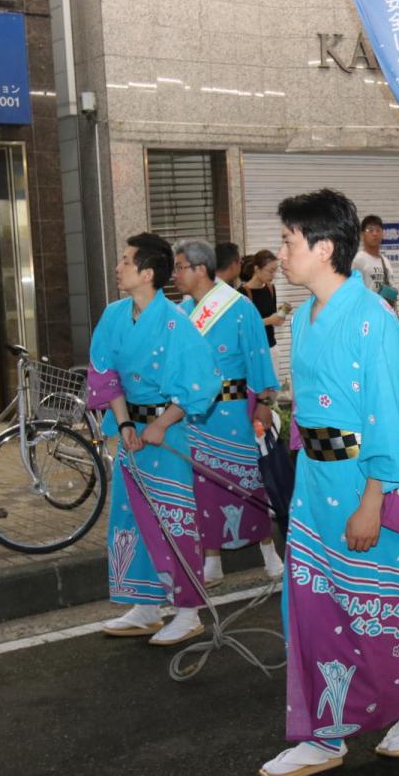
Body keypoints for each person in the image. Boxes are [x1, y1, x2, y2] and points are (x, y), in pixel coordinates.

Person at [262, 188, 399, 775]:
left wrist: (374, 501)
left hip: (364, 486)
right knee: (313, 609)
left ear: (322, 247)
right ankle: (323, 734)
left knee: (381, 604)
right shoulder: (309, 317)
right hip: (316, 487)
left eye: (289, 241)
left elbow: (388, 419)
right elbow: (314, 411)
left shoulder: (371, 319)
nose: (282, 252)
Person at [87, 233, 222, 645]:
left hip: (168, 436)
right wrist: (125, 424)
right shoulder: (113, 315)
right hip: (132, 435)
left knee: (174, 521)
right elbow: (104, 375)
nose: (118, 267)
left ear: (147, 273)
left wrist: (162, 423)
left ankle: (188, 611)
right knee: (131, 518)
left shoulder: (176, 323)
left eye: (125, 261)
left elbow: (201, 384)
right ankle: (145, 607)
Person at [172, 240, 284, 586]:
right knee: (203, 486)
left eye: (179, 267)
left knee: (246, 481)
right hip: (195, 414)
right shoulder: (181, 311)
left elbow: (258, 355)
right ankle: (212, 560)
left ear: (199, 269)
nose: (174, 274)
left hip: (235, 408)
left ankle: (270, 553)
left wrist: (265, 402)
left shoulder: (238, 306)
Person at [242, 249, 289, 381]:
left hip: (271, 347)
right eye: (270, 270)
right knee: (254, 393)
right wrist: (269, 320)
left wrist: (279, 317)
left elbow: (274, 318)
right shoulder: (242, 293)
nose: (273, 275)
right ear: (257, 269)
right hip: (253, 351)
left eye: (276, 270)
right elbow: (243, 327)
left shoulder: (270, 288)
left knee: (271, 394)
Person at [351, 214, 395, 302]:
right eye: (370, 230)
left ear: (383, 234)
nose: (375, 234)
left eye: (378, 230)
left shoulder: (385, 261)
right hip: (367, 312)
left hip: (385, 311)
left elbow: (392, 289)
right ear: (362, 235)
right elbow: (353, 291)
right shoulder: (359, 260)